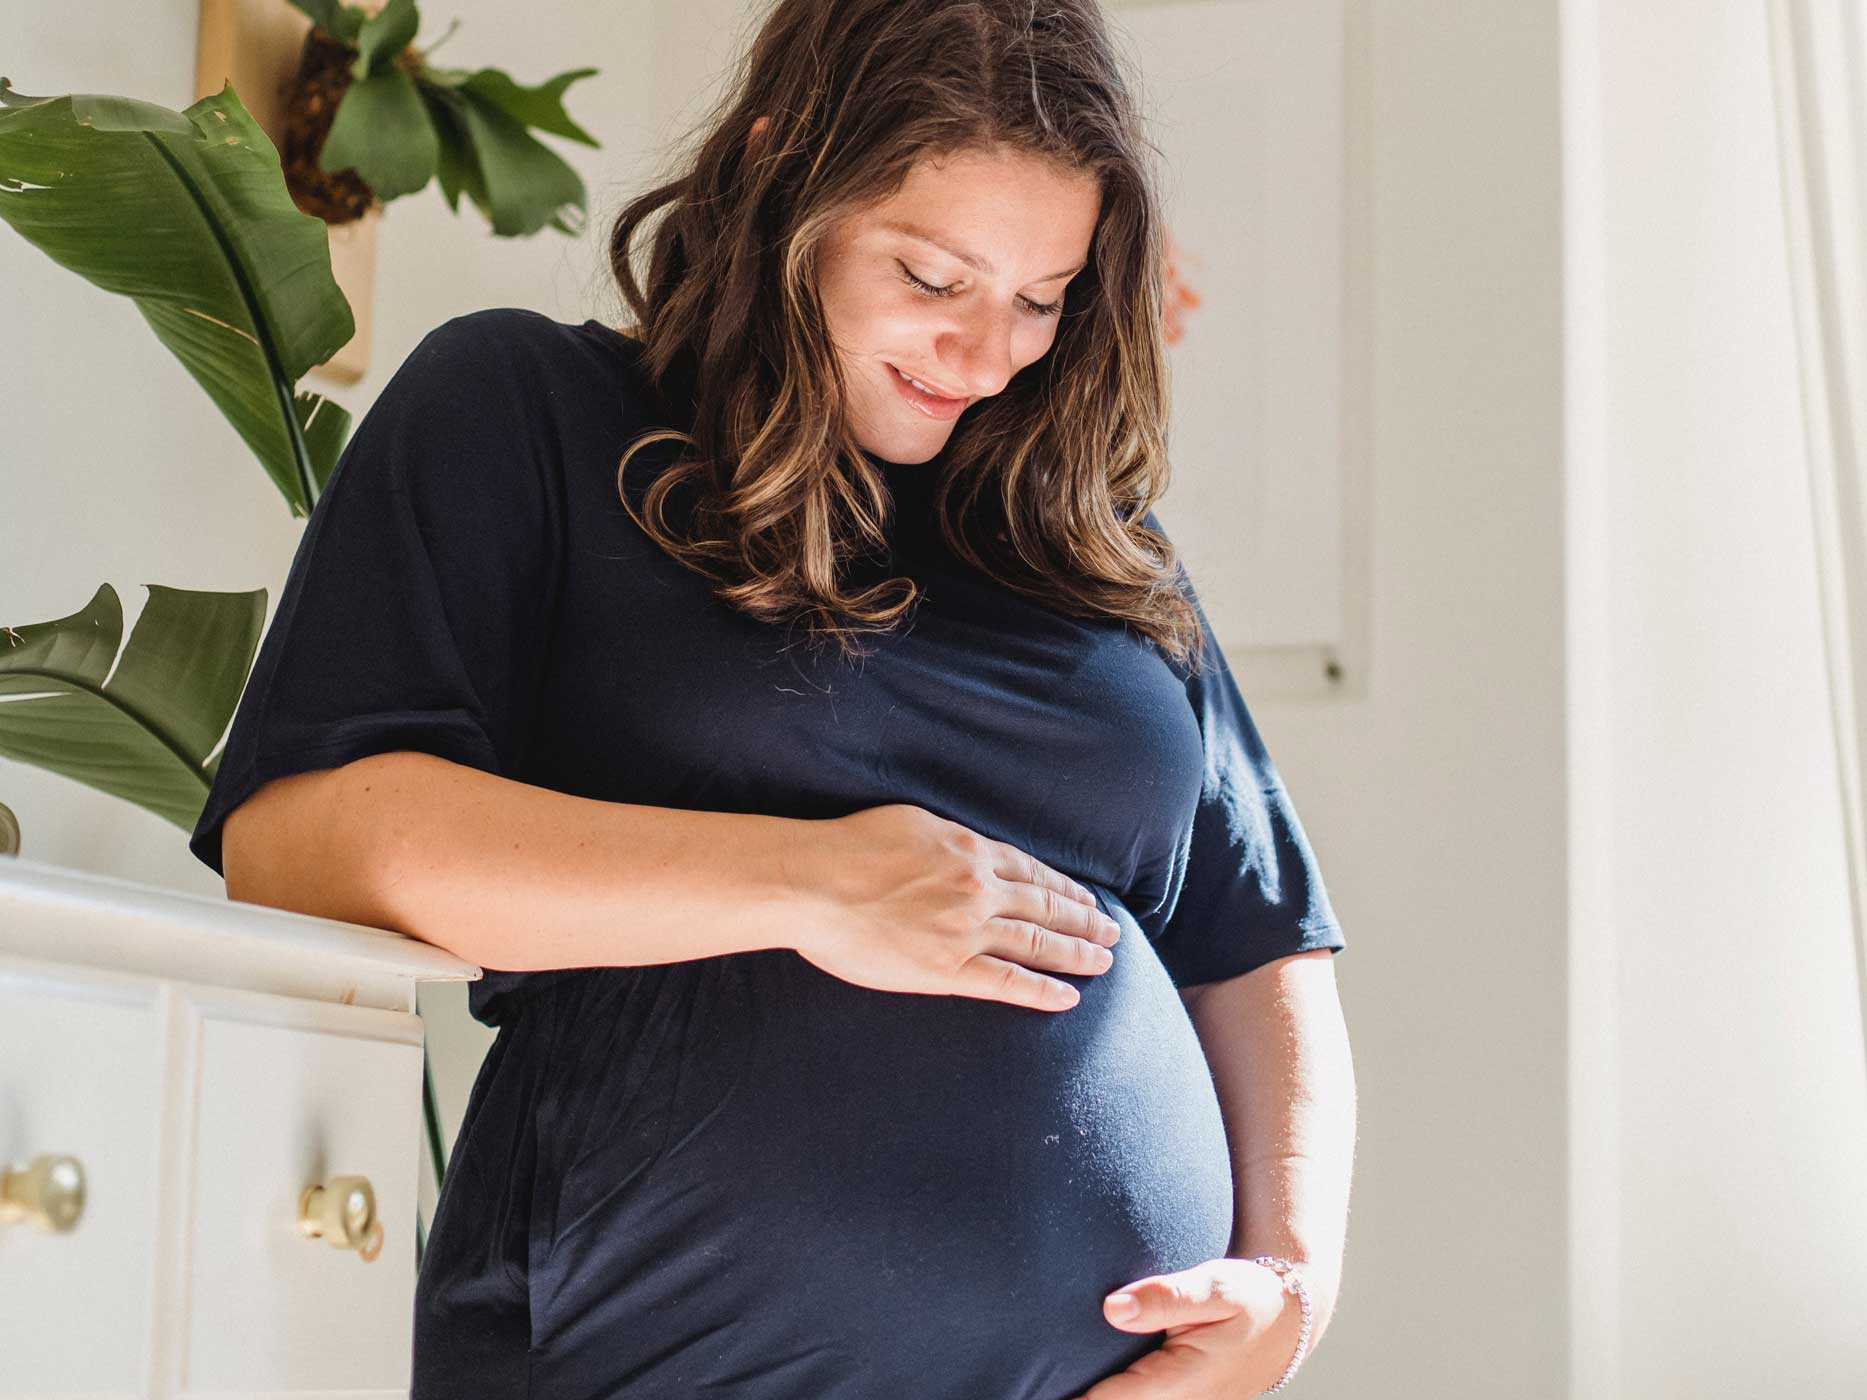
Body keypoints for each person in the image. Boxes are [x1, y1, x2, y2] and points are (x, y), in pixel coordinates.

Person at [189, 1, 1357, 1396]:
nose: (986, 358)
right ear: (781, 177)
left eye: (1040, 299)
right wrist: (810, 883)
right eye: (934, 277)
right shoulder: (532, 415)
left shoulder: (1094, 544)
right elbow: (299, 849)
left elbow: (1260, 942)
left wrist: (1290, 1290)